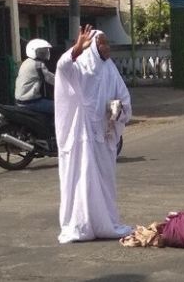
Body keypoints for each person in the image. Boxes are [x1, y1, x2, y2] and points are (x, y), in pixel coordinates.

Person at [54, 25, 133, 243]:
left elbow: (124, 97)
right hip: (81, 135)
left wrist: (118, 111)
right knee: (82, 179)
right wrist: (77, 48)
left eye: (108, 43)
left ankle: (105, 222)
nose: (107, 47)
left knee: (105, 181)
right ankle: (81, 224)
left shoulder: (109, 69)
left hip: (104, 136)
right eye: (102, 43)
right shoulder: (80, 67)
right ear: (93, 46)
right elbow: (62, 68)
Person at [15, 39, 55, 114]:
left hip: (20, 100)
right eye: (41, 52)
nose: (44, 53)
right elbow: (51, 79)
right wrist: (64, 82)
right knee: (58, 107)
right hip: (30, 102)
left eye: (45, 51)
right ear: (32, 51)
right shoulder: (38, 65)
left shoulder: (26, 62)